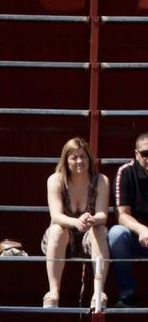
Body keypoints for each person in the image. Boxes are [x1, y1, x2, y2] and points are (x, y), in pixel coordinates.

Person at [42, 137, 110, 309]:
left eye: (83, 156)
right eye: (74, 157)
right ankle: (53, 291)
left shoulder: (101, 180)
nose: (79, 161)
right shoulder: (56, 180)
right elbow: (56, 216)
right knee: (57, 229)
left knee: (100, 230)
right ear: (66, 160)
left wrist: (93, 220)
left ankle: (98, 290)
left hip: (90, 236)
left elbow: (103, 214)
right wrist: (75, 221)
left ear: (89, 158)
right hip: (63, 237)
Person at [109, 132, 148, 308]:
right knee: (116, 234)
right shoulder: (126, 172)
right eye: (146, 154)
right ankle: (127, 292)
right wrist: (142, 230)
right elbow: (122, 215)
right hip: (135, 238)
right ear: (137, 153)